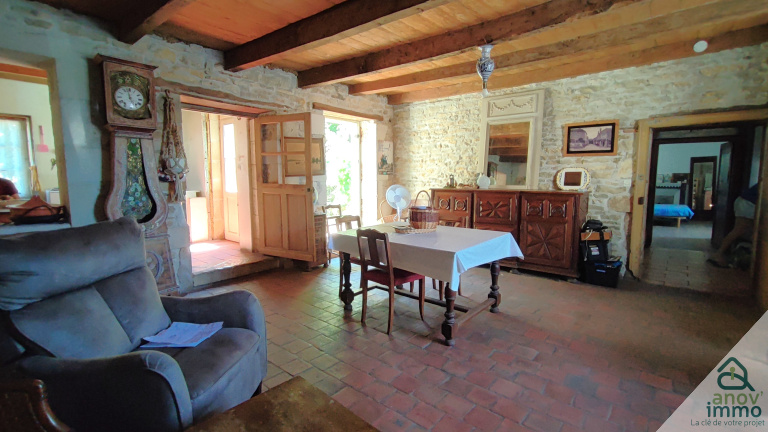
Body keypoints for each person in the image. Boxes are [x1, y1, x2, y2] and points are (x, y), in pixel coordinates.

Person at [708, 183, 759, 268]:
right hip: (748, 204)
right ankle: (718, 254)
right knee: (740, 230)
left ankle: (720, 254)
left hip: (746, 203)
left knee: (748, 231)